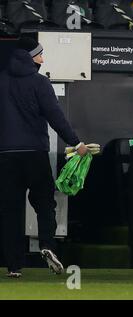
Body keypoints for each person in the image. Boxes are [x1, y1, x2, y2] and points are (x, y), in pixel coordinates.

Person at [0, 37, 88, 278]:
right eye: (39, 55)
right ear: (31, 57)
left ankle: (14, 266)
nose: (42, 58)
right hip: (35, 153)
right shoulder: (39, 82)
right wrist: (76, 143)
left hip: (6, 156)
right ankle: (47, 245)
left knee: (10, 211)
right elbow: (55, 116)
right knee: (45, 204)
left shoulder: (2, 81)